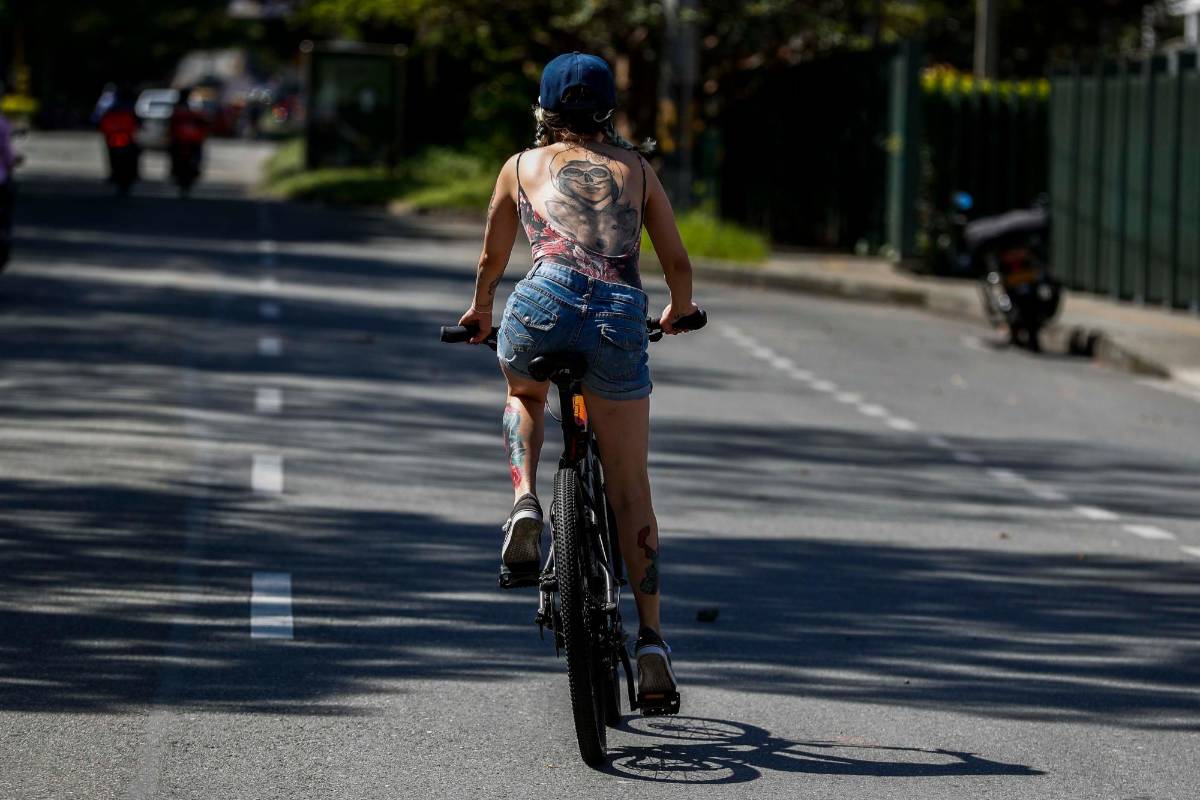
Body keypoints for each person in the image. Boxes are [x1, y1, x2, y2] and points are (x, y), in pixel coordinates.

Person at [457, 52, 698, 705]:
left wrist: (481, 310)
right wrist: (679, 310)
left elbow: (492, 258)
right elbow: (676, 262)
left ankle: (525, 500)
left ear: (543, 109)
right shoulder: (638, 170)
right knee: (630, 490)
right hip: (618, 314)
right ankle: (651, 642)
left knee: (524, 391)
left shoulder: (520, 166)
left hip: (544, 300)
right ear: (607, 110)